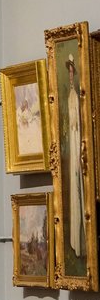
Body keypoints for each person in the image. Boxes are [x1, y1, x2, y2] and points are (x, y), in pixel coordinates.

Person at [65, 53, 85, 257]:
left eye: (72, 70)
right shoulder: (72, 97)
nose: (70, 74)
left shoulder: (78, 97)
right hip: (74, 147)